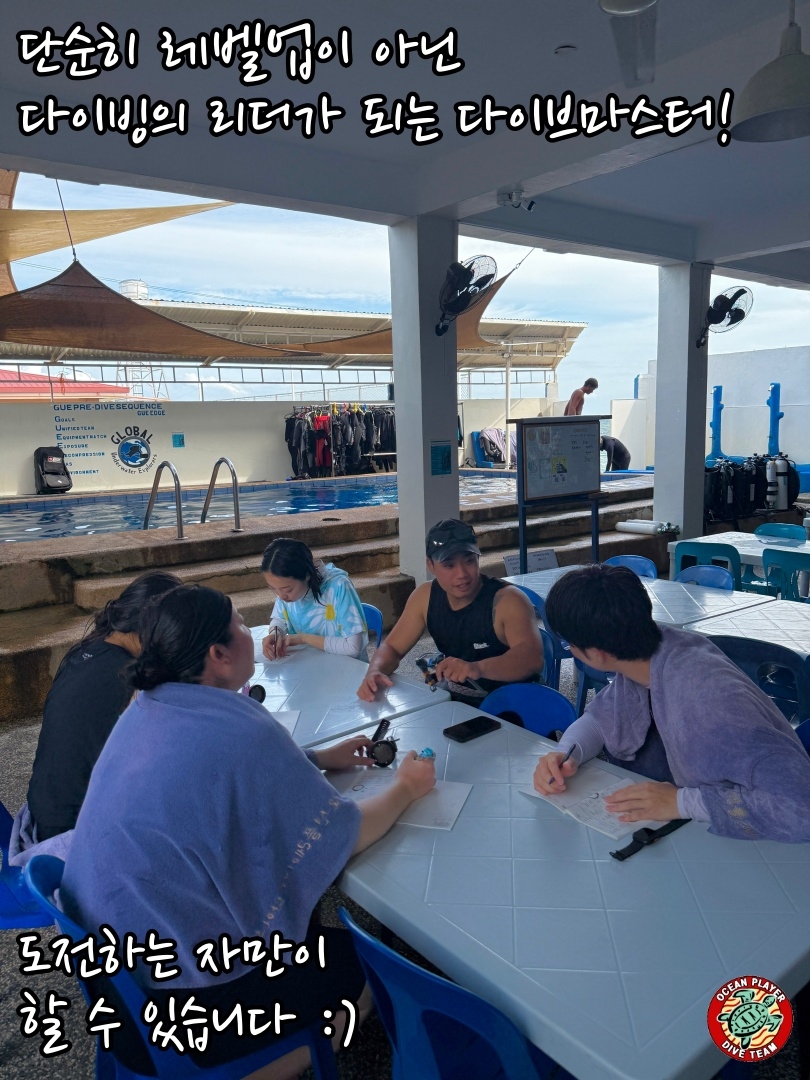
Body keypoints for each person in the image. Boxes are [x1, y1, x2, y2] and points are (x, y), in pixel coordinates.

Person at [61, 584, 435, 1078]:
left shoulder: (148, 705)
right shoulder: (244, 730)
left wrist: (318, 759)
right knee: (369, 971)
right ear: (218, 655)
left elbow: (210, 776)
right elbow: (343, 834)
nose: (249, 631)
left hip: (119, 982)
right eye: (240, 624)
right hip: (186, 1004)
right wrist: (406, 787)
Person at [532, 564, 810, 843]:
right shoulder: (644, 648)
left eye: (570, 644)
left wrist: (680, 802)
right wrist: (567, 753)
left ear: (596, 654)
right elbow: (601, 718)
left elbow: (800, 810)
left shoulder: (710, 700)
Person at [23, 570, 181, 845]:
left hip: (43, 814)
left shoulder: (87, 650)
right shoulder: (131, 676)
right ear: (156, 631)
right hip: (75, 833)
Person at [357, 519, 544, 706]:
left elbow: (532, 658)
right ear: (431, 565)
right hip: (459, 702)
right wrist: (375, 671)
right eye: (449, 565)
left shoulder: (507, 601)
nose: (462, 573)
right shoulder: (425, 597)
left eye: (469, 561)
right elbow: (392, 647)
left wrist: (477, 668)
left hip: (515, 706)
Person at [260, 537, 368, 660]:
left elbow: (353, 647)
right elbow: (280, 618)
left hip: (346, 666)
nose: (281, 596)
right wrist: (276, 633)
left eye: (288, 590)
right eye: (273, 589)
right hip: (312, 663)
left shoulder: (338, 586)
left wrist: (304, 638)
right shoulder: (285, 590)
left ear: (307, 575)